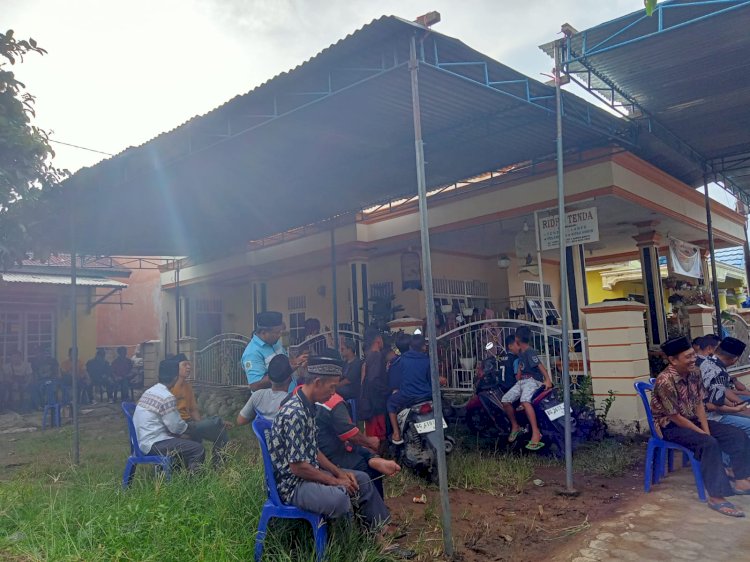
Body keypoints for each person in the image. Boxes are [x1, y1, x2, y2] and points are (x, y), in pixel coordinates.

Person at [267, 354, 405, 550]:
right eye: (331, 387)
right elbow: (298, 468)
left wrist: (339, 472)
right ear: (317, 382)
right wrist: (335, 480)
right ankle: (349, 547)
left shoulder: (308, 406)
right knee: (340, 496)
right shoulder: (295, 413)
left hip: (308, 474)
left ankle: (379, 537)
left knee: (362, 480)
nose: (334, 393)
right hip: (292, 485)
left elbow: (313, 450)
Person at [652, 336, 750, 518]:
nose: (692, 359)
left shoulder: (695, 372)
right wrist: (703, 435)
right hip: (670, 426)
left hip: (692, 419)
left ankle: (741, 480)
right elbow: (675, 417)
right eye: (687, 357)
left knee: (737, 435)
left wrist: (705, 429)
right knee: (708, 444)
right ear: (673, 360)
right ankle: (716, 496)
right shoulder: (665, 381)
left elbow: (698, 404)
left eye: (692, 355)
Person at [317, 385, 401, 499]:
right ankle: (377, 511)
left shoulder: (297, 396)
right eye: (332, 384)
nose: (333, 391)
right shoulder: (333, 402)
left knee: (357, 448)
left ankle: (373, 459)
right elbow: (350, 434)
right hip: (328, 456)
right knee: (366, 467)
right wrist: (369, 442)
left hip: (322, 449)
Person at [133, 359, 205, 473]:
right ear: (176, 377)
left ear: (158, 376)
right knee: (197, 448)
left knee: (185, 442)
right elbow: (176, 427)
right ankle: (193, 483)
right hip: (154, 444)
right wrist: (195, 428)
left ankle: (175, 472)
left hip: (141, 441)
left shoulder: (149, 391)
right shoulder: (167, 396)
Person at [170, 353, 231, 467]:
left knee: (220, 433)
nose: (189, 367)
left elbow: (193, 410)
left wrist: (202, 425)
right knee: (216, 423)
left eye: (189, 364)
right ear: (175, 368)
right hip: (178, 425)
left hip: (190, 424)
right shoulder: (170, 387)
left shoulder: (187, 386)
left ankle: (218, 467)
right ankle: (216, 420)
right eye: (185, 364)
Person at [501, 327, 553, 451]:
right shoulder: (521, 354)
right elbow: (519, 374)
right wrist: (519, 367)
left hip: (532, 380)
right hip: (522, 381)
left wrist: (547, 380)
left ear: (518, 339)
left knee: (525, 401)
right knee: (505, 400)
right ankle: (515, 426)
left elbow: (540, 366)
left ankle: (536, 432)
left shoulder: (530, 352)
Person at [241, 311, 307, 392]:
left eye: (280, 332)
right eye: (276, 332)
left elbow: (285, 362)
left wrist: (297, 361)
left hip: (290, 394)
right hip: (273, 402)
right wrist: (287, 370)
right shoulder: (252, 353)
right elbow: (255, 386)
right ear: (263, 332)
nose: (279, 335)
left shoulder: (275, 342)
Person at [700, 337, 750, 436]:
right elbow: (717, 405)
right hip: (708, 416)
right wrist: (738, 409)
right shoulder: (719, 372)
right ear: (735, 359)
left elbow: (720, 394)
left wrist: (736, 405)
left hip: (698, 410)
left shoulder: (704, 361)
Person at [388, 335, 433, 445]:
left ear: (410, 346)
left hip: (408, 396)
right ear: (423, 346)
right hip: (427, 396)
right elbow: (430, 380)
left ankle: (396, 433)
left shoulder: (402, 360)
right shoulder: (427, 360)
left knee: (390, 403)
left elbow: (397, 381)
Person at [236, 354, 292, 425]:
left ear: (269, 378)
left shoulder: (257, 395)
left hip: (262, 435)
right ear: (289, 379)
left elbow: (240, 421)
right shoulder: (292, 402)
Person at [360, 328, 389, 448]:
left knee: (372, 435)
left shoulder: (369, 357)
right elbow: (373, 380)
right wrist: (388, 390)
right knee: (376, 438)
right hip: (376, 403)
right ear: (377, 339)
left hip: (369, 401)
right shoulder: (377, 356)